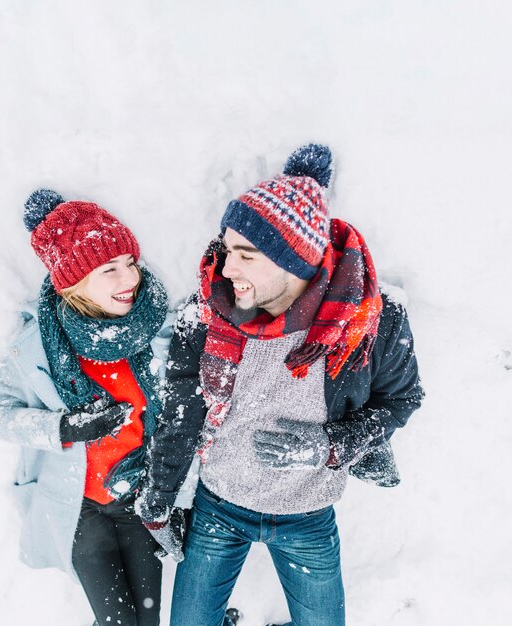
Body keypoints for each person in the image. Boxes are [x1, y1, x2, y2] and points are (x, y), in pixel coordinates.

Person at [137, 144, 424, 626]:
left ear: (296, 259)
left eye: (245, 255)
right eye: (227, 251)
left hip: (308, 514)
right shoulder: (205, 316)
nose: (227, 270)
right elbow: (181, 413)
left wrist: (331, 445)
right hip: (219, 506)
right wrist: (160, 501)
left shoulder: (368, 319)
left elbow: (403, 398)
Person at [0, 189, 172, 626]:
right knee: (119, 622)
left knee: (148, 620)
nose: (129, 279)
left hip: (135, 500)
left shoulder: (157, 330)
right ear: (73, 282)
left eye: (130, 263)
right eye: (109, 269)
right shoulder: (36, 348)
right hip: (78, 507)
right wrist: (63, 427)